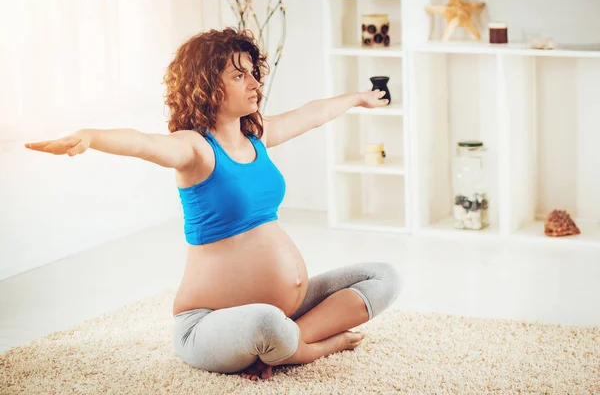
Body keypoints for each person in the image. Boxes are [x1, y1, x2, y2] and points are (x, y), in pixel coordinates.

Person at [25, 27, 402, 381]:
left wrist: (357, 98)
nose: (255, 84)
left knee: (384, 276)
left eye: (253, 73)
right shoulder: (195, 148)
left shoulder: (257, 135)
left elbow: (310, 114)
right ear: (207, 86)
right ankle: (307, 346)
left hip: (287, 308)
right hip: (207, 325)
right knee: (268, 324)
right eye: (240, 77)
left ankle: (287, 345)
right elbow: (144, 142)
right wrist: (91, 136)